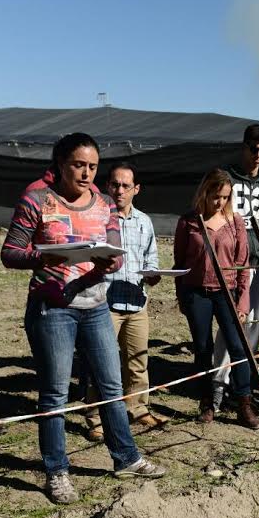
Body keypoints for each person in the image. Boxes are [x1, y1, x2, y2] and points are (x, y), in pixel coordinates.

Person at [2, 133, 165, 504]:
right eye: (79, 165)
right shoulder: (37, 201)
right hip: (53, 308)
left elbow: (114, 252)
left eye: (92, 166)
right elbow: (10, 253)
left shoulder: (104, 203)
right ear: (60, 164)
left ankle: (125, 457)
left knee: (111, 386)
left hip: (95, 306)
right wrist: (43, 258)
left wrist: (112, 261)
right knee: (55, 393)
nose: (87, 173)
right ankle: (57, 471)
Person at [83, 162, 166, 441]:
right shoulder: (99, 218)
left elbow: (151, 256)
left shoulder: (144, 221)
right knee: (102, 363)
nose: (119, 190)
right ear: (108, 186)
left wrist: (153, 274)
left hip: (136, 301)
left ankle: (138, 408)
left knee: (138, 360)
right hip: (105, 303)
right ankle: (95, 417)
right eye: (115, 184)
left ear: (136, 189)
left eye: (125, 186)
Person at [174, 169, 259, 429]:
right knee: (203, 348)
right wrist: (182, 296)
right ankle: (207, 401)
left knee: (238, 347)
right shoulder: (188, 222)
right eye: (215, 196)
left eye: (224, 197)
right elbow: (179, 263)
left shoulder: (235, 223)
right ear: (205, 193)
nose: (219, 202)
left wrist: (243, 302)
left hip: (227, 292)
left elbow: (242, 264)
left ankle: (244, 403)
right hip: (196, 292)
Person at [211, 124, 259, 411]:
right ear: (244, 146)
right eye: (254, 149)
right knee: (230, 324)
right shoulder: (227, 179)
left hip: (257, 262)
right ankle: (218, 382)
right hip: (230, 263)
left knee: (252, 325)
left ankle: (242, 383)